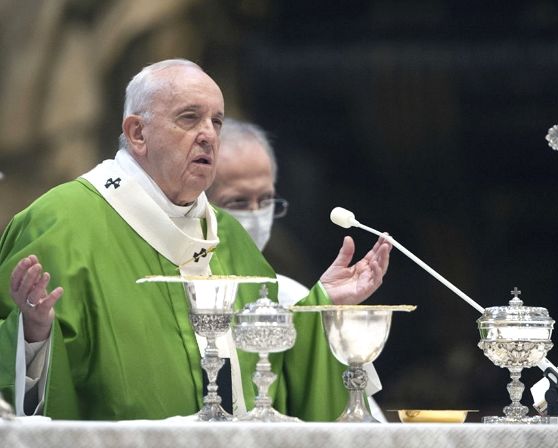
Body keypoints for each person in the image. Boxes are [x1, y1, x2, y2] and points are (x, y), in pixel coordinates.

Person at [0, 59, 391, 421]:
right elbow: (16, 381)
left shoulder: (228, 236)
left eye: (216, 122)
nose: (208, 135)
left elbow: (270, 366)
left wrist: (319, 306)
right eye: (189, 119)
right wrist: (33, 336)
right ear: (137, 133)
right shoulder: (61, 224)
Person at [207, 118, 386, 420]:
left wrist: (322, 309)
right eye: (237, 201)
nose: (255, 215)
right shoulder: (193, 296)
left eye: (265, 201)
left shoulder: (292, 295)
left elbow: (363, 426)